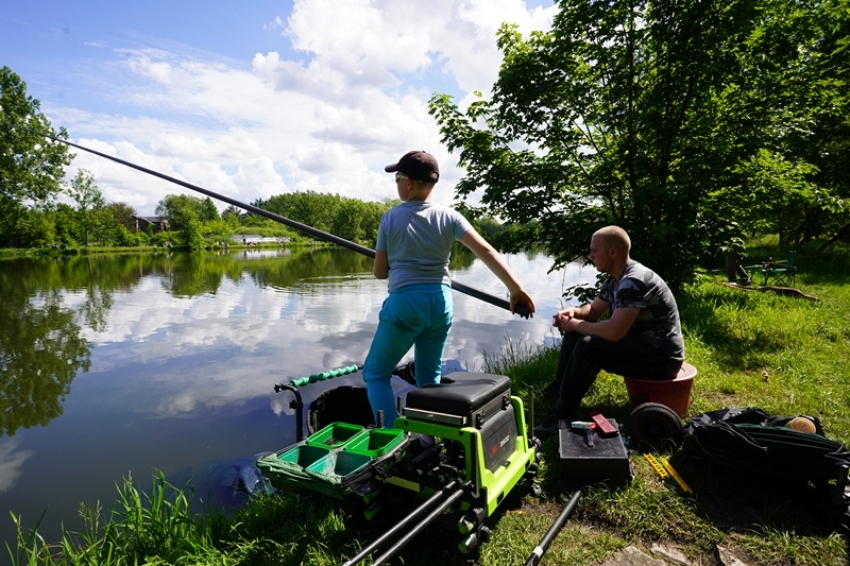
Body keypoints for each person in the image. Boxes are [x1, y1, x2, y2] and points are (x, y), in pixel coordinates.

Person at [362, 150, 536, 428]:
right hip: (440, 303)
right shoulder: (450, 216)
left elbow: (380, 272)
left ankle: (392, 441)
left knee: (375, 374)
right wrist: (515, 289)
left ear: (408, 183)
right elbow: (485, 250)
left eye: (397, 178)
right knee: (429, 380)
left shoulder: (390, 218)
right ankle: (432, 440)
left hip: (406, 304)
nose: (396, 184)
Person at [534, 226, 685, 438]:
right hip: (643, 349)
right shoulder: (616, 278)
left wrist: (575, 324)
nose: (591, 256)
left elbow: (614, 333)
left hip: (662, 359)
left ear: (612, 252)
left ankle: (562, 413)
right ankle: (560, 388)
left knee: (590, 345)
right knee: (577, 331)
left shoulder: (633, 281)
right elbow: (594, 311)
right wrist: (575, 313)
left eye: (595, 251)